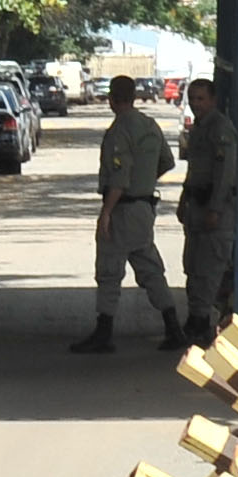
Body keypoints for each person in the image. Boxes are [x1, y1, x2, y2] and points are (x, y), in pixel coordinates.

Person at [71, 74, 181, 354]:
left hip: (123, 209)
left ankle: (104, 332)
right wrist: (145, 180)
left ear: (112, 98)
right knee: (150, 268)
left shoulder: (120, 130)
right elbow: (167, 161)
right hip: (144, 208)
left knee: (109, 270)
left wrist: (106, 213)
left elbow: (119, 177)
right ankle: (173, 326)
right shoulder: (150, 125)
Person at [175, 76, 237, 345]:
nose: (196, 104)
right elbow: (193, 171)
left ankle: (202, 320)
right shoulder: (199, 128)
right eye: (192, 99)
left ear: (212, 100)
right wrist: (183, 200)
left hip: (215, 209)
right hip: (196, 207)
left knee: (209, 269)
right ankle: (195, 317)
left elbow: (225, 174)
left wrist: (215, 208)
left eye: (201, 99)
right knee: (192, 265)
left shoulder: (220, 129)